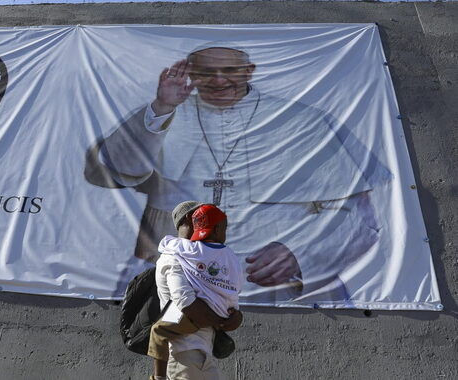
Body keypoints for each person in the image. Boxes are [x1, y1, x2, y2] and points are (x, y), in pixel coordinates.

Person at [85, 44, 392, 302]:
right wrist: (162, 107)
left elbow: (359, 218)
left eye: (229, 71)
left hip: (275, 288)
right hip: (177, 283)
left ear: (249, 71)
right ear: (191, 74)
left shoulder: (302, 121)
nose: (219, 82)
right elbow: (120, 169)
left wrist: (301, 253)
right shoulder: (164, 112)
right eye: (206, 73)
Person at [149, 204, 242, 380]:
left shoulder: (199, 256)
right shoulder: (173, 255)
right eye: (197, 218)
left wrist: (236, 315)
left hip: (201, 353)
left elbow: (220, 294)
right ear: (187, 219)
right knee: (158, 331)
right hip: (184, 353)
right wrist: (221, 319)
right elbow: (187, 303)